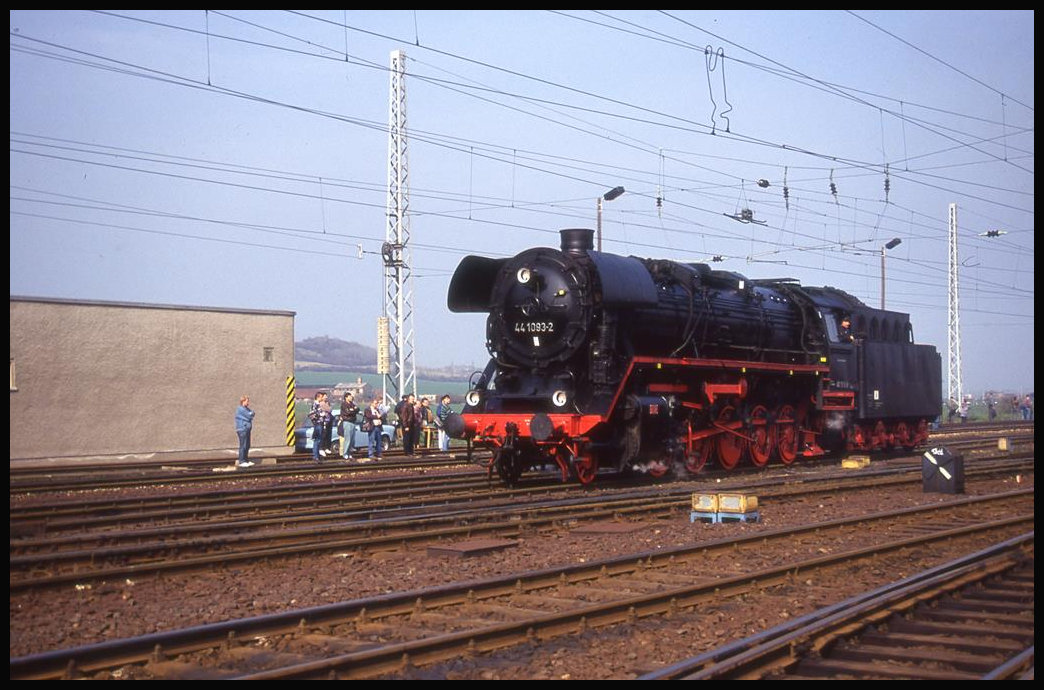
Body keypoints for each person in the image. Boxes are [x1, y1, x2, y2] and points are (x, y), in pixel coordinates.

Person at [362, 396, 386, 461]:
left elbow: (381, 417)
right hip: (372, 427)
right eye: (375, 403)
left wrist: (380, 417)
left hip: (378, 427)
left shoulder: (377, 410)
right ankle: (370, 454)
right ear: (372, 403)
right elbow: (368, 416)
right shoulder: (367, 409)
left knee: (379, 441)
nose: (376, 405)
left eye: (377, 403)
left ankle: (379, 453)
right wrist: (376, 416)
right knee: (371, 440)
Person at [235, 395, 255, 468]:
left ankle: (246, 460)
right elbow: (249, 416)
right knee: (243, 445)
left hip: (247, 429)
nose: (248, 402)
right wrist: (251, 414)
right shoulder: (240, 409)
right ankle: (242, 461)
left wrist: (251, 413)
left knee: (247, 445)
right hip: (242, 429)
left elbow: (253, 413)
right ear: (243, 401)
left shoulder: (246, 409)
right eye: (247, 401)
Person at [339, 392, 360, 461]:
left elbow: (357, 409)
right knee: (347, 439)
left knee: (352, 439)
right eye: (350, 396)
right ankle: (345, 454)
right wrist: (353, 410)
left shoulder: (352, 404)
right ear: (346, 397)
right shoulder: (344, 404)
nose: (351, 398)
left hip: (353, 422)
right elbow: (347, 412)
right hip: (347, 422)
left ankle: (349, 453)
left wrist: (353, 410)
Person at [309, 391, 326, 463]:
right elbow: (312, 414)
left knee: (319, 440)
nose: (323, 398)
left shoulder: (319, 404)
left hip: (320, 423)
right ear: (318, 397)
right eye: (322, 397)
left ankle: (317, 456)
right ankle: (315, 456)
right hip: (318, 424)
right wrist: (321, 415)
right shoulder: (315, 404)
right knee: (317, 440)